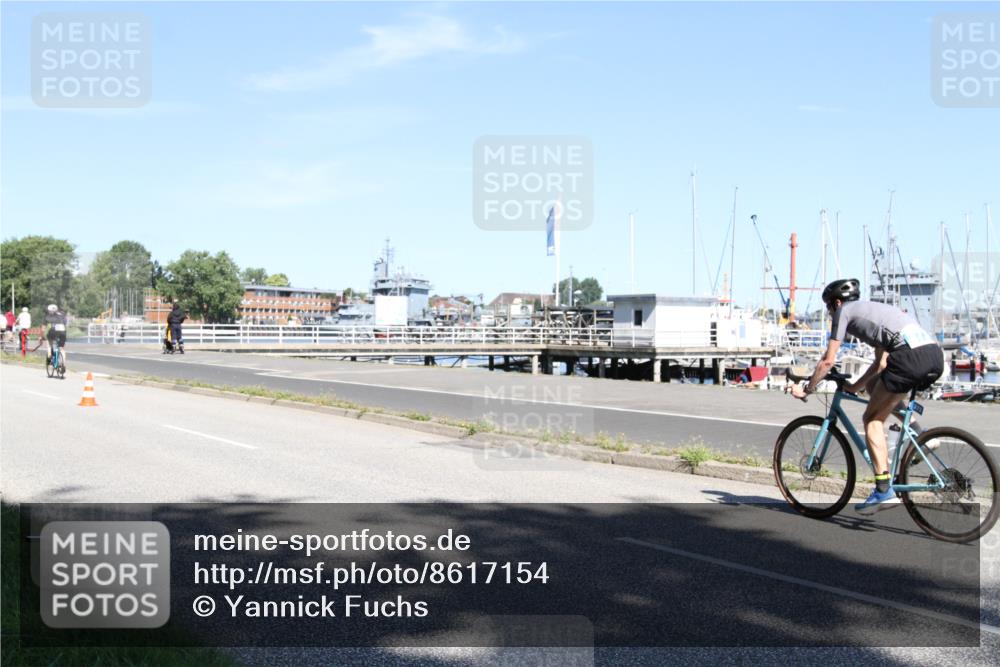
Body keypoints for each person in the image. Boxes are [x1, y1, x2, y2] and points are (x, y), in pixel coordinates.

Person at [790, 279, 943, 514]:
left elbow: (828, 361)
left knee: (871, 419)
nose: (831, 313)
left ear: (837, 303)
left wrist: (807, 388)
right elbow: (880, 363)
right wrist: (854, 387)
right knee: (874, 387)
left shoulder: (844, 312)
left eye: (829, 308)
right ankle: (920, 434)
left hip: (909, 359)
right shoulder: (873, 312)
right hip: (933, 355)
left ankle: (883, 490)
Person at [44, 304, 68, 368]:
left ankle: (49, 360)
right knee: (62, 349)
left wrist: (41, 336)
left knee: (49, 345)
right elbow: (65, 323)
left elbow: (43, 327)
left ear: (49, 311)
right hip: (63, 332)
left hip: (53, 332)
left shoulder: (48, 316)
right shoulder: (62, 315)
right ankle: (63, 364)